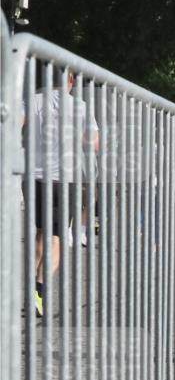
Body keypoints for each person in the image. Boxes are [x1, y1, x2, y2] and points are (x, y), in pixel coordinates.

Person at [26, 70, 99, 316]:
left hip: (35, 176)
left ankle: (31, 286)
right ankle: (39, 290)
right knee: (56, 239)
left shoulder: (34, 99)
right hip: (64, 179)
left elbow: (15, 124)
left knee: (39, 234)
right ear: (70, 81)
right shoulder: (80, 106)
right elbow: (94, 143)